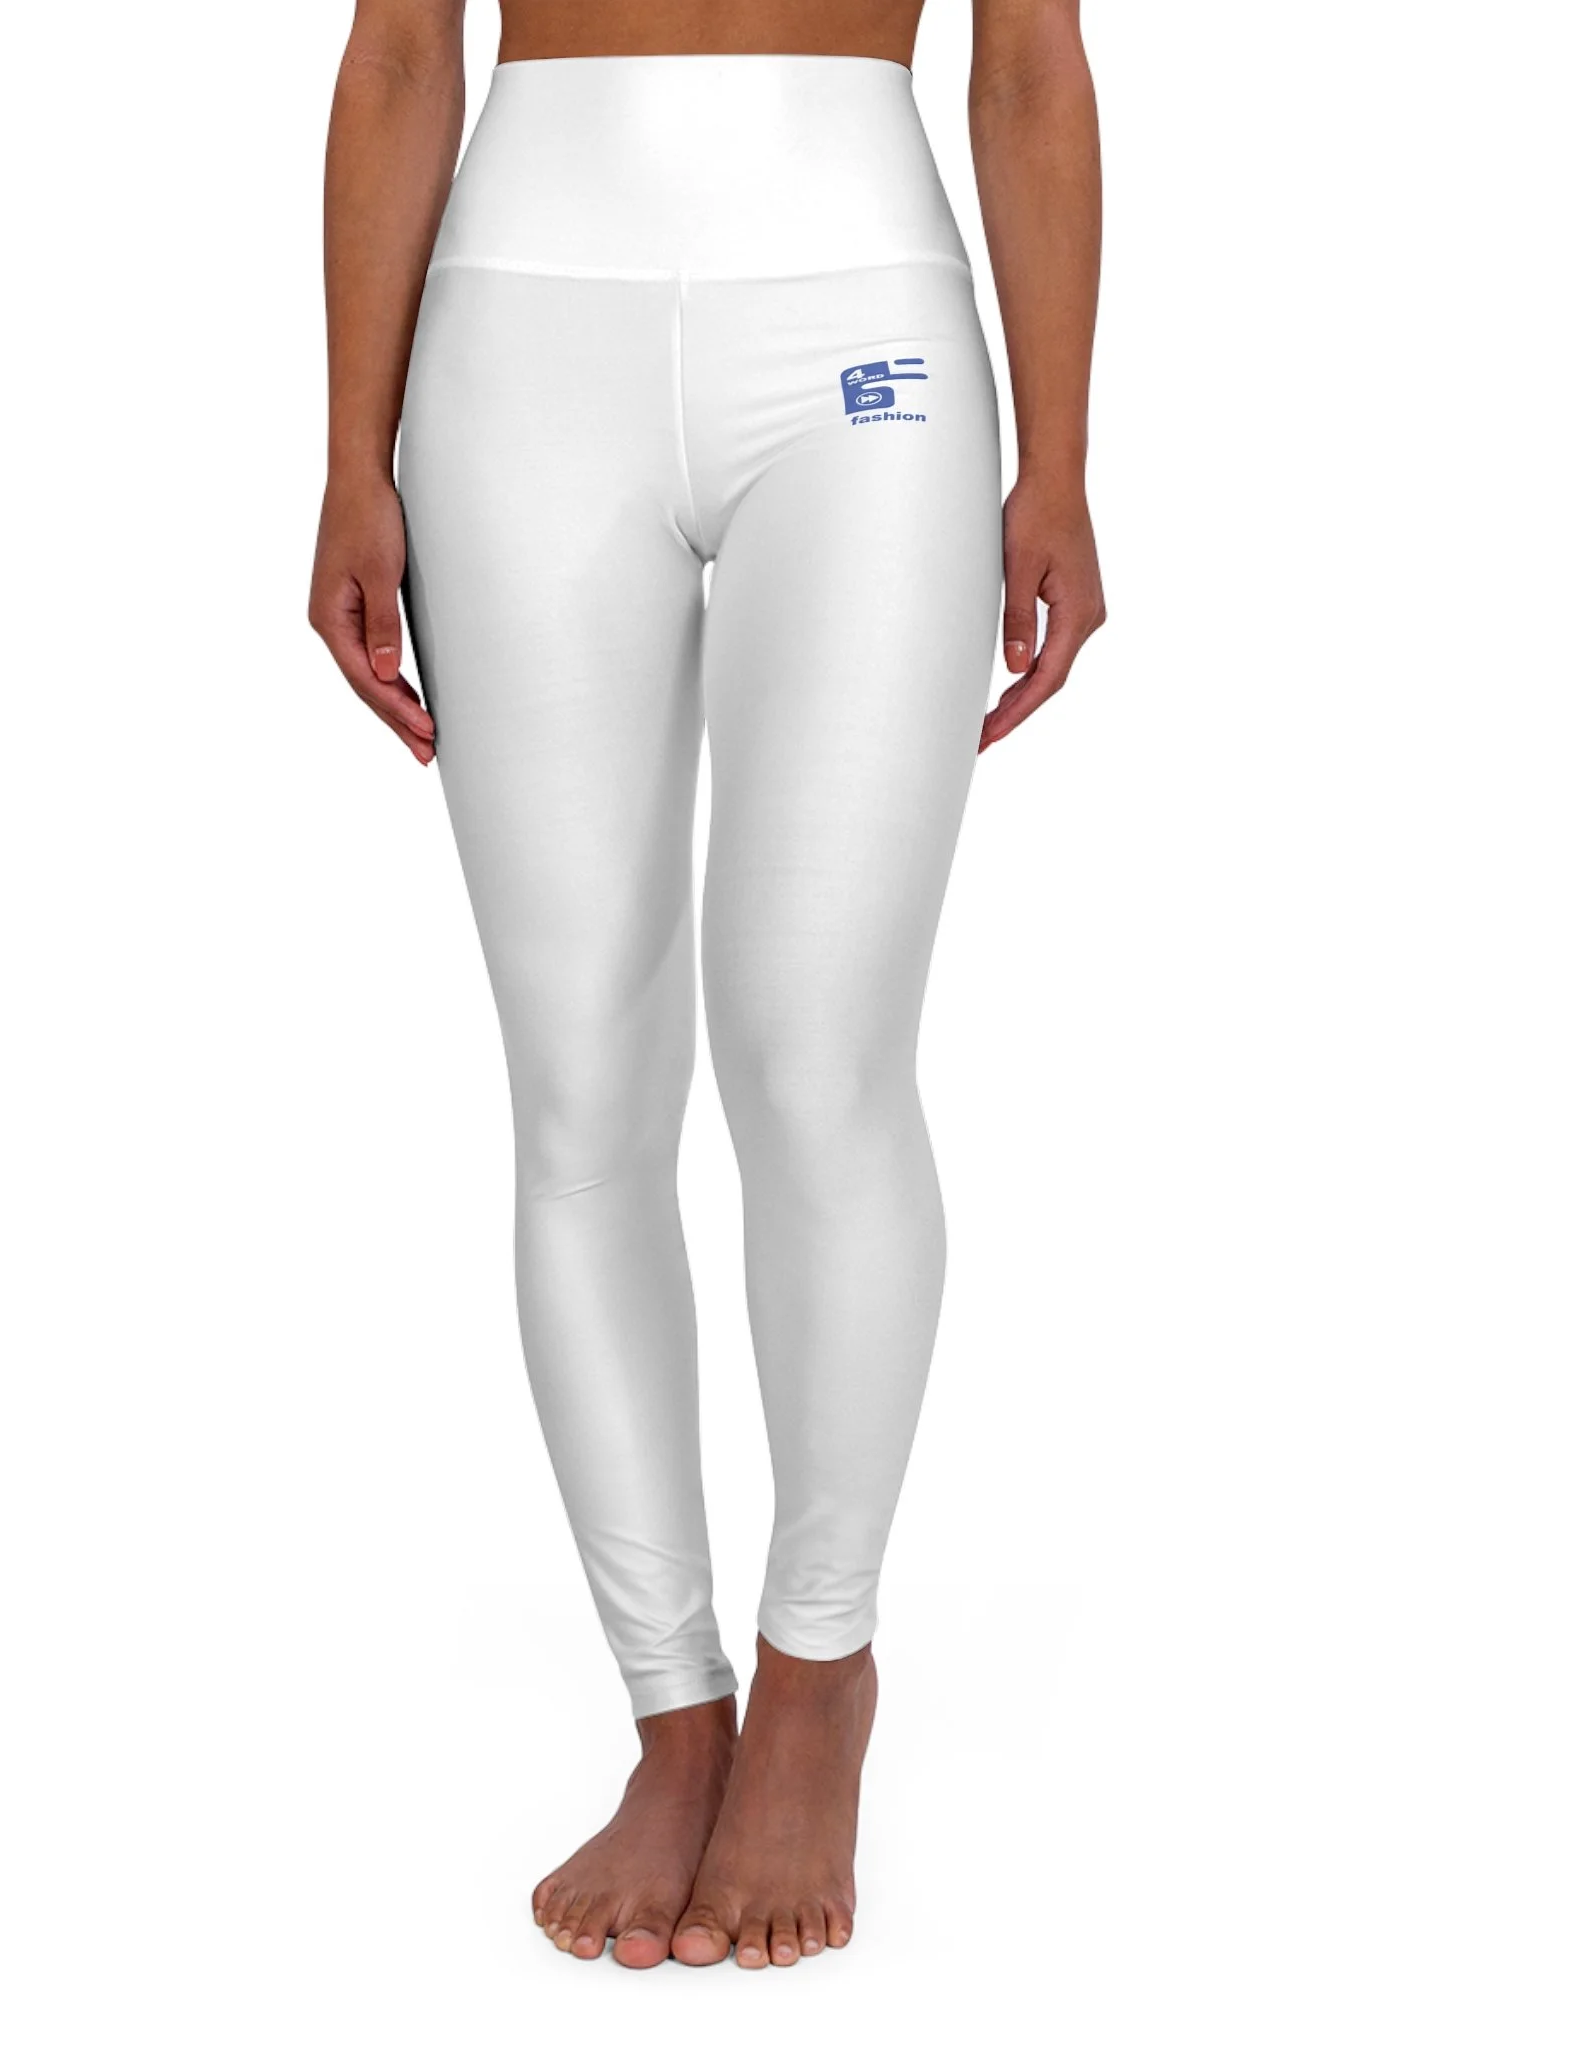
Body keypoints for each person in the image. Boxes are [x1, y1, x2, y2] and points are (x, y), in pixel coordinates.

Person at [308, 0, 1104, 1972]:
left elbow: (1026, 61)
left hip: (861, 321)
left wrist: (1064, 460)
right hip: (515, 332)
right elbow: (400, 48)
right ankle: (674, 1711)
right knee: (579, 1085)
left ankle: (817, 1673)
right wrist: (346, 453)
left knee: (818, 1057)